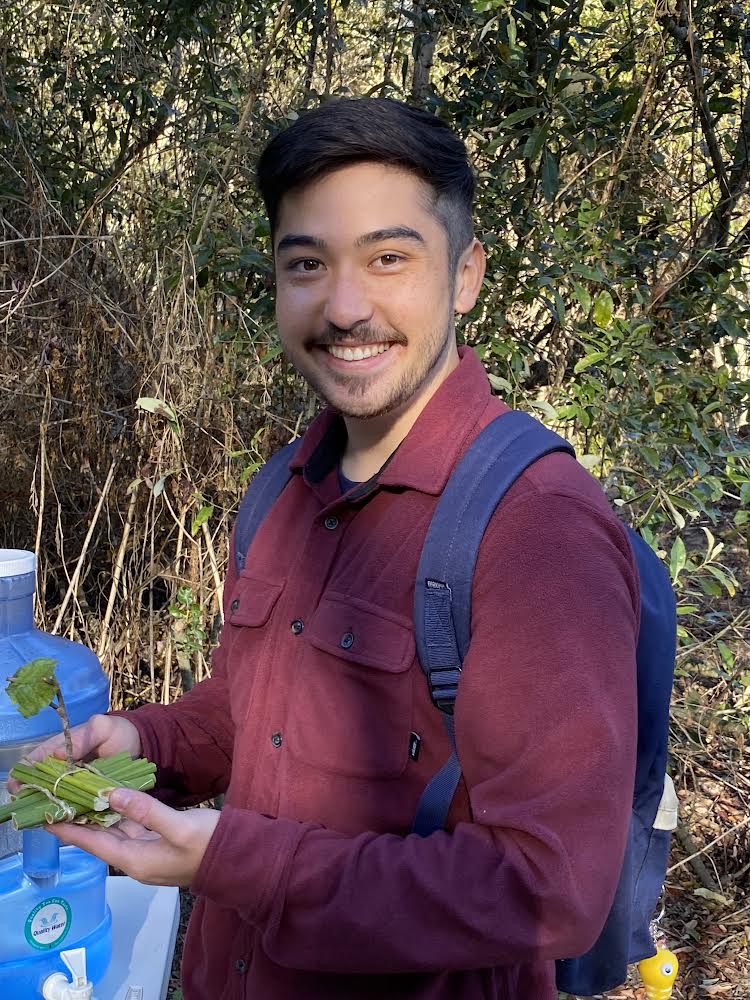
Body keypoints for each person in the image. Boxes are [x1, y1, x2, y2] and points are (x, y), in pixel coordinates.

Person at [31, 98, 639, 1000]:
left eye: (389, 258)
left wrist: (245, 863)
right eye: (307, 264)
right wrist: (142, 740)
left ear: (466, 274)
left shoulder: (536, 528)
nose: (345, 306)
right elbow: (255, 710)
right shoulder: (285, 486)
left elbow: (550, 889)